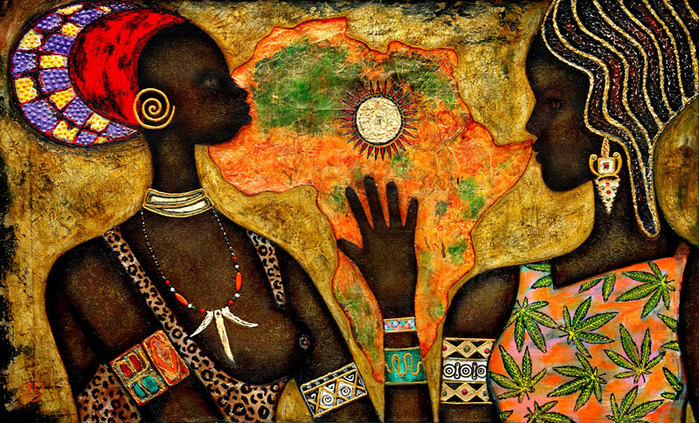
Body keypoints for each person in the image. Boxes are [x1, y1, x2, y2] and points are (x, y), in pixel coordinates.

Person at [10, 2, 376, 421]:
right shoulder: (90, 271)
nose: (239, 91)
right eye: (212, 81)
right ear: (154, 108)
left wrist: (397, 308)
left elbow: (350, 414)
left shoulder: (274, 264)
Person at [439, 0, 698, 422]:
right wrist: (397, 316)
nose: (533, 125)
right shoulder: (487, 303)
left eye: (553, 102)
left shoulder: (688, 285)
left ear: (614, 114)